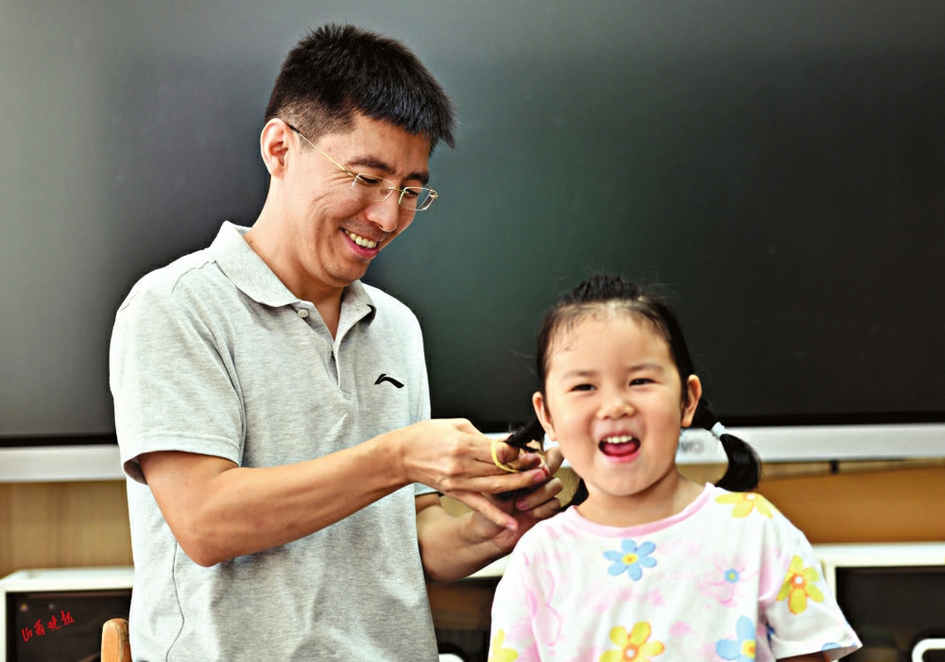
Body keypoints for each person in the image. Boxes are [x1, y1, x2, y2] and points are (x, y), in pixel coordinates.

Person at [109, 24, 563, 661]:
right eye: (367, 177)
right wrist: (400, 456)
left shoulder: (397, 327)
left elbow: (410, 538)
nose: (388, 216)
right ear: (280, 149)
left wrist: (496, 529)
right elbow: (206, 521)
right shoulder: (176, 305)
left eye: (410, 191)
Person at [488, 274, 861, 662]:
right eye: (584, 387)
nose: (615, 406)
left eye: (640, 380)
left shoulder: (757, 532)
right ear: (547, 415)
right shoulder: (538, 558)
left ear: (687, 400)